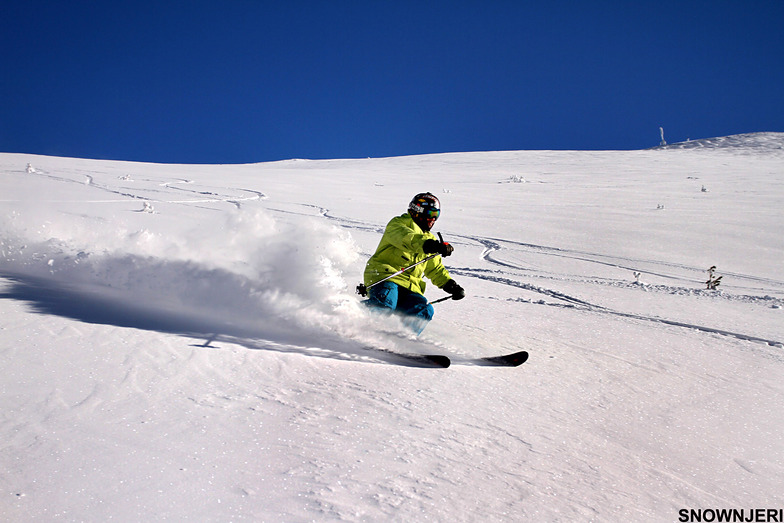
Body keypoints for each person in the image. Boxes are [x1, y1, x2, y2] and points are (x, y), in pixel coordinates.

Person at [362, 192, 465, 334]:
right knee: (386, 302)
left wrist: (450, 285)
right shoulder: (398, 224)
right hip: (385, 276)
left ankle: (402, 341)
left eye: (436, 215)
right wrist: (430, 245)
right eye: (429, 214)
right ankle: (353, 322)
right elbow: (408, 239)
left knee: (423, 310)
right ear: (417, 211)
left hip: (410, 287)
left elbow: (435, 269)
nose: (432, 219)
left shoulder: (430, 239)